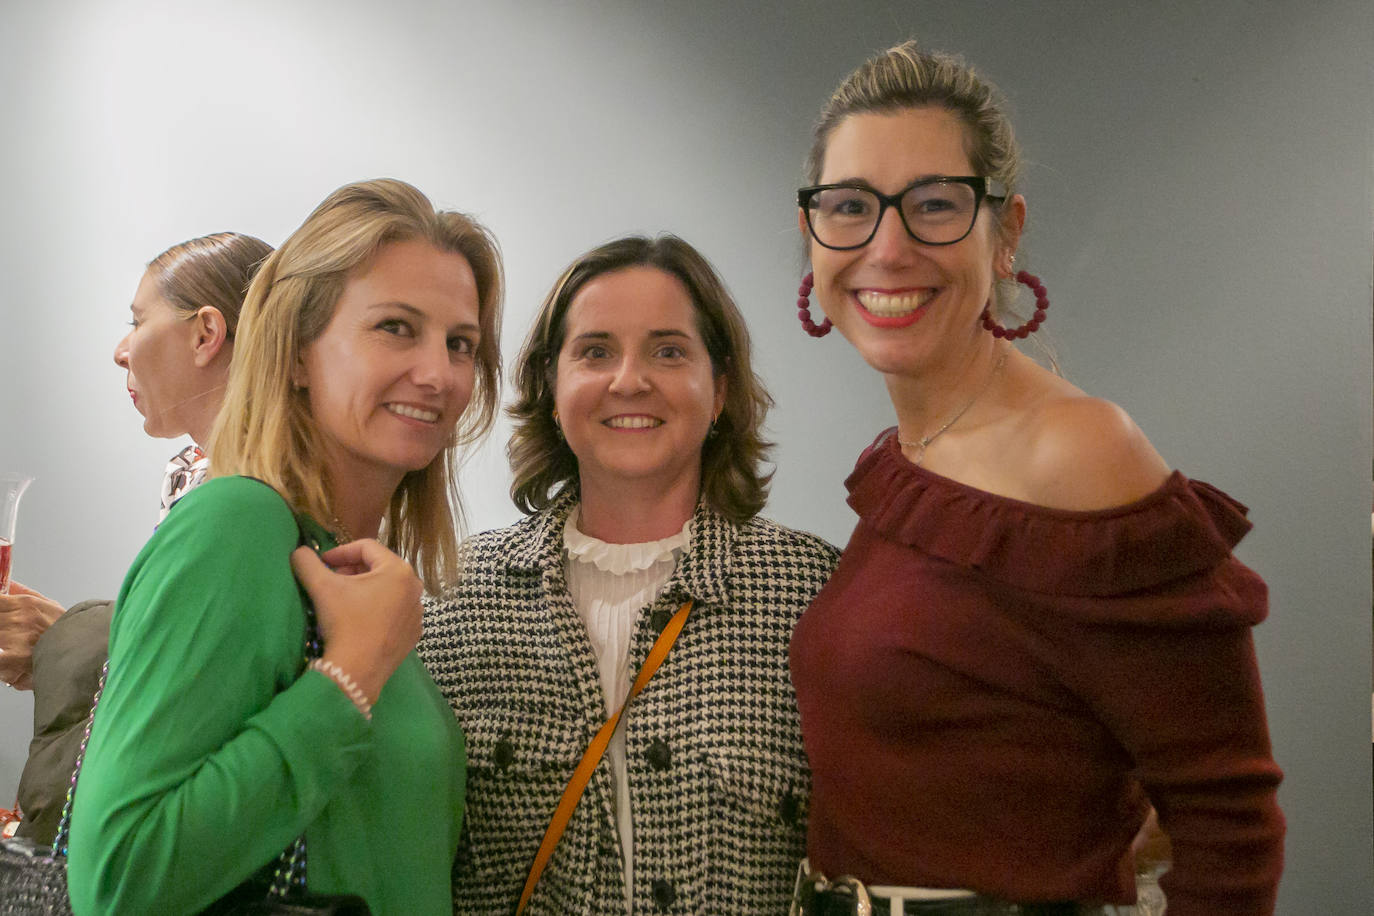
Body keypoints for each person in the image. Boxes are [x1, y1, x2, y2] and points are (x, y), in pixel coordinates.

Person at [787, 41, 1284, 915]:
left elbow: (1229, 824)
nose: (887, 247)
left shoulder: (1078, 452)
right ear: (813, 236)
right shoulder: (905, 460)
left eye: (935, 205)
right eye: (852, 207)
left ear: (1006, 232)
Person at [65, 178, 504, 916]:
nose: (439, 374)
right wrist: (352, 677)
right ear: (296, 352)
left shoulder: (358, 570)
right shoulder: (236, 525)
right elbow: (119, 881)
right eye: (396, 327)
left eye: (460, 343)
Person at [420, 235, 839, 915]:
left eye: (669, 351)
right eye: (595, 351)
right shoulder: (452, 599)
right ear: (552, 386)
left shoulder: (813, 594)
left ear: (721, 387)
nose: (629, 380)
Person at [6, 231, 272, 845]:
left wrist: (71, 643)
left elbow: (202, 703)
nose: (120, 350)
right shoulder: (192, 471)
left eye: (137, 321)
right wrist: (70, 639)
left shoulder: (259, 495)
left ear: (207, 333)